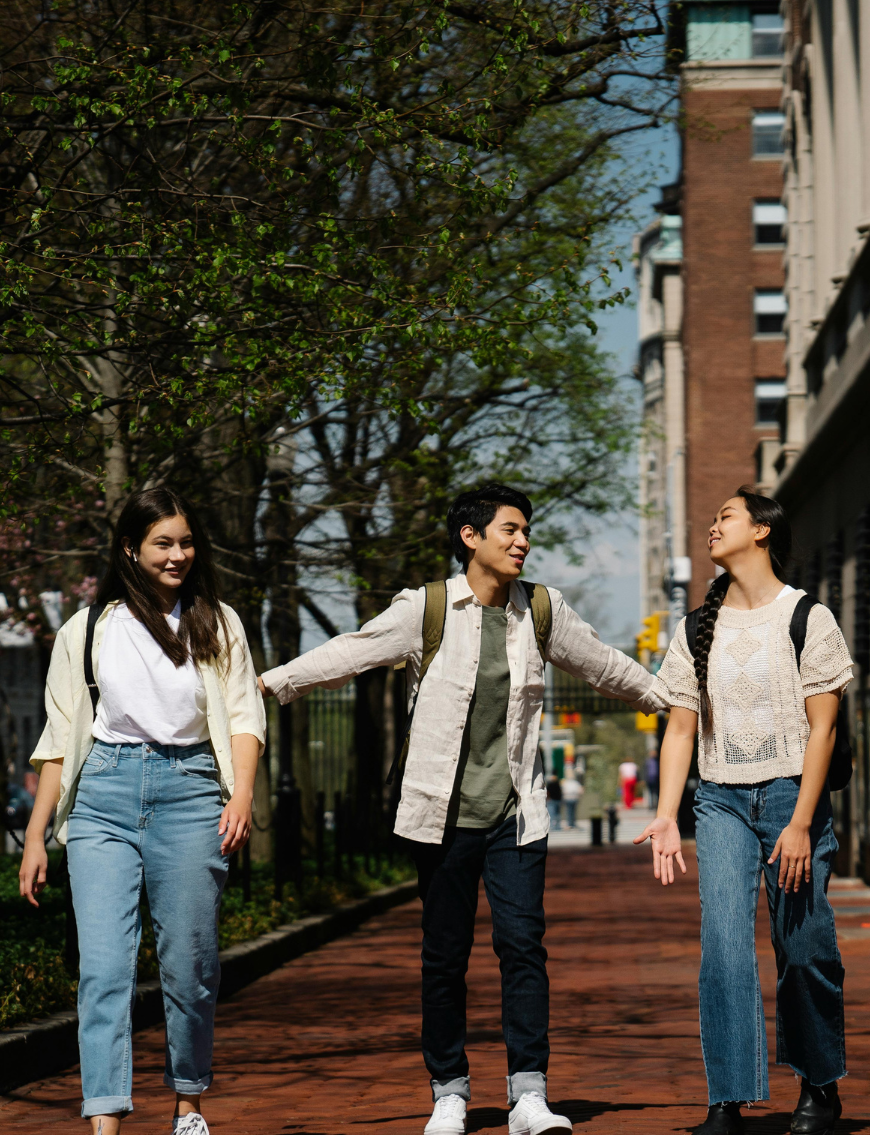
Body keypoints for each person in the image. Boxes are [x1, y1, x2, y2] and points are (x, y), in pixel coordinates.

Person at [259, 482, 668, 1135]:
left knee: (523, 947)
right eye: (509, 530)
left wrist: (669, 699)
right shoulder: (427, 608)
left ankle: (528, 1094)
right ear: (470, 538)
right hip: (441, 817)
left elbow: (604, 666)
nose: (523, 541)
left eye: (526, 531)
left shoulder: (541, 610)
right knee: (444, 956)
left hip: (516, 814)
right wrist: (269, 684)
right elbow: (351, 652)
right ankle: (449, 1091)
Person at [19, 489, 266, 1135]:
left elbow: (244, 716)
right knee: (103, 968)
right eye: (164, 543)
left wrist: (240, 793)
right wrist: (37, 835)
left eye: (186, 542)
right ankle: (105, 1117)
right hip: (104, 795)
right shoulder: (88, 628)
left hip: (191, 793)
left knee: (190, 962)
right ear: (131, 548)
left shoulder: (217, 622)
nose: (179, 554)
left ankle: (188, 1103)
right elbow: (60, 736)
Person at [635, 487, 852, 1135]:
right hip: (721, 800)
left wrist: (800, 824)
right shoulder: (695, 630)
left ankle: (819, 1084)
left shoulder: (807, 617)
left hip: (793, 796)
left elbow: (824, 730)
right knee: (725, 949)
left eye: (725, 516)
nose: (712, 525)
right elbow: (679, 730)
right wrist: (670, 813)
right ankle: (726, 1098)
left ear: (761, 531)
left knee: (804, 947)